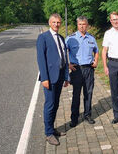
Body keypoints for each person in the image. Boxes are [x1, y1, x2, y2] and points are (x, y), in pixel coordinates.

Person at [36, 13, 70, 145]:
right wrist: (44, 78)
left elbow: (65, 59)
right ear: (50, 23)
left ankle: (52, 128)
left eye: (58, 22)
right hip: (49, 77)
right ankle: (48, 133)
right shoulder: (43, 37)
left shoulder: (61, 38)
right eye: (54, 22)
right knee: (49, 105)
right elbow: (41, 59)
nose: (56, 24)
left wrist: (66, 76)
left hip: (60, 76)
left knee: (55, 104)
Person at [66, 16, 99, 127]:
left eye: (84, 24)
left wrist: (96, 61)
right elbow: (62, 51)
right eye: (80, 24)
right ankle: (74, 118)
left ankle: (87, 115)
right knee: (76, 94)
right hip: (77, 69)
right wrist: (68, 64)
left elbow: (96, 51)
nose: (82, 26)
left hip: (89, 69)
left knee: (88, 93)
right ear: (77, 25)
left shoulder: (91, 38)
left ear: (87, 25)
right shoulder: (71, 38)